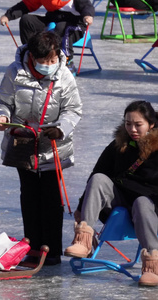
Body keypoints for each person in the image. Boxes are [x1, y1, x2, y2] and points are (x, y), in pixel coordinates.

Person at [0, 31, 83, 265]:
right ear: (32, 56)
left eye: (52, 60)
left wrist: (61, 128)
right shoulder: (15, 72)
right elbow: (1, 101)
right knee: (29, 195)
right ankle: (32, 247)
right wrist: (1, 117)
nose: (49, 66)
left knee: (51, 197)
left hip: (53, 145)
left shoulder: (64, 75)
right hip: (23, 143)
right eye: (44, 61)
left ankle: (51, 251)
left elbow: (73, 109)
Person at [64, 100, 158, 287]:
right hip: (120, 200)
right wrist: (82, 207)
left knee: (141, 201)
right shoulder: (118, 145)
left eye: (138, 124)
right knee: (99, 178)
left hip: (149, 205)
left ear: (151, 124)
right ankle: (84, 239)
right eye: (128, 123)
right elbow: (95, 176)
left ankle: (152, 264)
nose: (132, 129)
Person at [0, 0, 95, 72]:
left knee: (61, 27)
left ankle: (67, 61)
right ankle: (33, 55)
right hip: (53, 20)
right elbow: (27, 4)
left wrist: (87, 15)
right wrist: (8, 15)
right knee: (27, 20)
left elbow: (86, 5)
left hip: (75, 24)